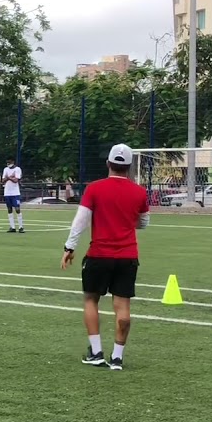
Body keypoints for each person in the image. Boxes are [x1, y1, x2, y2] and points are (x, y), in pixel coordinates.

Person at [61, 144, 150, 371]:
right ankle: (117, 357)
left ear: (108, 164)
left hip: (99, 254)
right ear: (129, 168)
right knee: (122, 306)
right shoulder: (139, 192)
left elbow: (80, 221)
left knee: (91, 300)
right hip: (128, 255)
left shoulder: (94, 188)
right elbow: (143, 222)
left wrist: (69, 247)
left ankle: (97, 352)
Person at [1, 156, 25, 233]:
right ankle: (12, 227)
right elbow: (3, 180)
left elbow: (16, 180)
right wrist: (9, 178)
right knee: (9, 209)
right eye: (7, 162)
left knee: (17, 209)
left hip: (15, 192)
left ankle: (21, 227)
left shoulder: (17, 169)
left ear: (13, 162)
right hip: (7, 192)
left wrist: (9, 178)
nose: (8, 164)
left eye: (10, 162)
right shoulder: (5, 169)